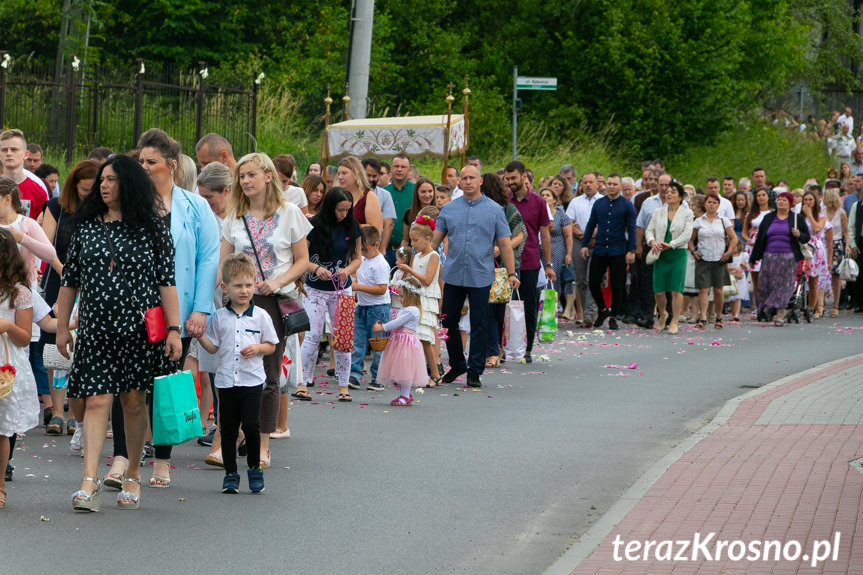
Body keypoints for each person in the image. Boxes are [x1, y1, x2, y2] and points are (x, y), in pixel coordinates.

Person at [55, 155, 182, 512]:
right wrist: (62, 328)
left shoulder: (153, 229)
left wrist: (174, 329)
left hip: (139, 332)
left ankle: (132, 476)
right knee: (96, 400)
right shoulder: (86, 228)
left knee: (132, 402)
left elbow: (166, 283)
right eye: (102, 181)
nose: (104, 186)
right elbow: (69, 281)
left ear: (129, 184)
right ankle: (89, 481)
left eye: (112, 180)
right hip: (95, 329)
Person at [136, 128, 220, 488]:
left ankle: (162, 460)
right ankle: (129, 452)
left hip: (179, 310)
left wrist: (200, 309)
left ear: (171, 165)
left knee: (166, 383)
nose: (143, 167)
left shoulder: (195, 205)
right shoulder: (131, 203)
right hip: (136, 306)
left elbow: (208, 258)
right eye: (139, 161)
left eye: (150, 162)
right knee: (132, 383)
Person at [220, 152, 311, 466]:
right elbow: (224, 260)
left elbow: (302, 260)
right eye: (241, 176)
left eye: (251, 175)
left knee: (269, 372)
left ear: (268, 176)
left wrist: (277, 280)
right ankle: (237, 434)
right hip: (237, 302)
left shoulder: (289, 213)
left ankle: (263, 444)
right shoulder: (234, 215)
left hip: (272, 301)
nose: (245, 181)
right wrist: (222, 288)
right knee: (233, 367)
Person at [432, 166, 519, 388]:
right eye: (464, 178)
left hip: (481, 274)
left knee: (480, 322)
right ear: (459, 182)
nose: (468, 181)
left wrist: (511, 272)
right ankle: (458, 363)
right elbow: (433, 242)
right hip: (453, 273)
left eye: (472, 178)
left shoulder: (495, 209)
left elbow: (505, 244)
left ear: (480, 181)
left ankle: (475, 369)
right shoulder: (449, 209)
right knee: (448, 320)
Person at [197, 254, 278, 494]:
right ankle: (231, 474)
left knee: (252, 426)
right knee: (228, 430)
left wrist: (258, 348)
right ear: (225, 287)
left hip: (252, 381)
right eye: (237, 285)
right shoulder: (219, 317)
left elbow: (271, 345)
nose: (244, 290)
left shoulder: (261, 315)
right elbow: (213, 347)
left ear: (254, 285)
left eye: (248, 285)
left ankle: (254, 468)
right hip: (226, 382)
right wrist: (199, 336)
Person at [40, 161, 98, 440]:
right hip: (60, 283)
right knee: (57, 345)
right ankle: (59, 412)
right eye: (84, 189)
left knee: (84, 347)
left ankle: (78, 414)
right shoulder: (54, 207)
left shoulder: (103, 210)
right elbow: (47, 246)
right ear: (74, 185)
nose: (89, 194)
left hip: (93, 286)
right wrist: (68, 273)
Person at [298, 187, 361, 401]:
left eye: (347, 210)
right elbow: (301, 259)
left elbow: (357, 258)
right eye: (340, 210)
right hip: (315, 288)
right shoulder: (314, 225)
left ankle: (344, 386)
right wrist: (315, 269)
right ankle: (302, 382)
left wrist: (348, 271)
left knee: (343, 337)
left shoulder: (352, 226)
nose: (344, 214)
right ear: (330, 207)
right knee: (313, 335)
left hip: (342, 289)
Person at [0, 229, 40, 509]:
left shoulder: (19, 293)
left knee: (2, 429)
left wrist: (8, 326)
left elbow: (25, 336)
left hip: (6, 364)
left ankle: (0, 484)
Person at [506, 161, 553, 362]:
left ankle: (527, 349)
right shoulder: (504, 201)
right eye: (507, 179)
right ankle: (506, 346)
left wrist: (548, 263)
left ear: (524, 176)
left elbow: (545, 234)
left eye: (513, 178)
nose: (510, 183)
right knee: (505, 304)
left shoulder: (539, 202)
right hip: (507, 263)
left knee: (529, 306)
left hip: (530, 261)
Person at [580, 173, 636, 331]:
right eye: (609, 184)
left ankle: (614, 316)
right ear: (604, 185)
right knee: (593, 281)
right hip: (599, 248)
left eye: (614, 184)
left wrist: (631, 250)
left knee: (617, 284)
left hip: (618, 249)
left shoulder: (627, 205)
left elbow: (631, 229)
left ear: (620, 186)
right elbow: (591, 224)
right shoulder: (599, 204)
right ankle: (603, 310)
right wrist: (584, 244)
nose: (611, 187)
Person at [750, 190, 809, 325]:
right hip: (769, 255)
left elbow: (806, 237)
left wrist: (798, 234)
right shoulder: (769, 218)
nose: (781, 202)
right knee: (766, 284)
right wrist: (754, 257)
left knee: (784, 285)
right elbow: (760, 239)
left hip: (788, 256)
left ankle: (780, 313)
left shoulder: (796, 218)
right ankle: (766, 307)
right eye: (779, 200)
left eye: (784, 200)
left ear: (790, 203)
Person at [399, 214, 442, 386]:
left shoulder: (433, 256)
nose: (413, 244)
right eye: (411, 240)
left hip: (426, 299)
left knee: (425, 339)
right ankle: (415, 373)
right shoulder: (416, 257)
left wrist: (410, 270)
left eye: (416, 240)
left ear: (427, 239)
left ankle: (435, 373)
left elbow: (427, 279)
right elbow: (411, 278)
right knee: (412, 337)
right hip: (414, 300)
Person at [645, 181, 694, 335]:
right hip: (660, 253)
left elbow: (687, 235)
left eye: (673, 192)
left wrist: (671, 244)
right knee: (658, 290)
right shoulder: (658, 212)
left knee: (676, 289)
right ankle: (663, 313)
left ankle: (674, 320)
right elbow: (649, 230)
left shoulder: (687, 213)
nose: (669, 194)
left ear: (680, 196)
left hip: (677, 253)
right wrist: (652, 241)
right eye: (667, 191)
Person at [372, 276, 426, 406]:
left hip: (406, 344)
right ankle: (405, 394)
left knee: (404, 372)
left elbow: (397, 323)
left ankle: (405, 395)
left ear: (411, 296)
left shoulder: (412, 310)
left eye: (401, 296)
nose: (399, 299)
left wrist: (383, 327)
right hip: (400, 342)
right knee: (400, 372)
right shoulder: (407, 309)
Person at [349, 226, 390, 391]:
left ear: (377, 245)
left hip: (378, 308)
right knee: (358, 342)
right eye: (361, 249)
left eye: (366, 249)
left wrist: (357, 287)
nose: (363, 253)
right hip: (363, 306)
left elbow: (381, 289)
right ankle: (355, 373)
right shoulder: (364, 260)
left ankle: (378, 376)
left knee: (378, 344)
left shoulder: (380, 264)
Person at [689, 193, 737, 329]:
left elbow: (733, 238)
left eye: (714, 203)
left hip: (719, 258)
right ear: (705, 204)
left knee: (718, 290)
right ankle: (703, 317)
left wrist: (728, 253)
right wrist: (693, 251)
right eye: (709, 202)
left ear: (718, 205)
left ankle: (719, 316)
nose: (711, 205)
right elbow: (690, 239)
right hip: (704, 257)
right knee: (703, 289)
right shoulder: (698, 221)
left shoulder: (723, 221)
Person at [566, 172, 599, 326]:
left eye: (590, 182)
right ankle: (587, 311)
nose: (587, 185)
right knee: (580, 280)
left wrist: (592, 234)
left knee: (592, 278)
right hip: (579, 242)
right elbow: (569, 221)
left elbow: (606, 223)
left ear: (597, 184)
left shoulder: (603, 201)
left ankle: (590, 313)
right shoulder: (575, 202)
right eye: (584, 182)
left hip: (598, 242)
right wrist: (578, 232)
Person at [0, 130, 48, 220]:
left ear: (26, 154)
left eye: (14, 149)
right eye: (4, 150)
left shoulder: (38, 191)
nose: (8, 153)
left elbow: (42, 230)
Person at [800, 188, 832, 320]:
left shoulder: (821, 217)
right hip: (802, 246)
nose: (807, 202)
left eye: (810, 200)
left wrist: (809, 215)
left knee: (813, 280)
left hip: (815, 249)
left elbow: (816, 228)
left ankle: (812, 308)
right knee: (800, 279)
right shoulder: (799, 217)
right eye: (805, 200)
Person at [539, 186, 573, 303]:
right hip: (540, 251)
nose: (544, 197)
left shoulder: (561, 215)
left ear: (554, 200)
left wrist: (569, 253)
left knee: (553, 280)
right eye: (542, 195)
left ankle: (552, 307)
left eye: (548, 195)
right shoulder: (537, 214)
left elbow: (568, 236)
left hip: (557, 250)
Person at [742, 188, 773, 311]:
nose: (761, 197)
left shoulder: (772, 213)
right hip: (753, 246)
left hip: (767, 245)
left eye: (763, 195)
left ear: (768, 197)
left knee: (767, 279)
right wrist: (748, 239)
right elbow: (744, 232)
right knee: (756, 279)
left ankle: (768, 305)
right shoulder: (751, 214)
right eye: (759, 195)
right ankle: (757, 305)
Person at [338, 156, 382, 231]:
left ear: (356, 174)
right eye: (338, 173)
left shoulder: (368, 196)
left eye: (344, 173)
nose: (339, 177)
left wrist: (346, 227)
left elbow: (374, 228)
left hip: (362, 242)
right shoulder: (338, 195)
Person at [824, 189, 850, 318]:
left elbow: (846, 231)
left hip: (837, 243)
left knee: (836, 276)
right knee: (822, 274)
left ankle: (835, 305)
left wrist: (846, 246)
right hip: (824, 244)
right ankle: (820, 304)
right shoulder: (822, 212)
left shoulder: (841, 213)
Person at [384, 154, 414, 252]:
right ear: (391, 169)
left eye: (403, 167)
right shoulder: (383, 192)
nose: (399, 169)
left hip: (408, 250)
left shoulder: (416, 191)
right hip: (385, 248)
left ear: (409, 170)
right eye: (396, 166)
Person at [400, 177, 436, 248]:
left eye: (430, 191)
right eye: (423, 192)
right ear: (417, 193)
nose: (427, 195)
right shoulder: (409, 213)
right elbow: (405, 240)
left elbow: (445, 241)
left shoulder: (441, 213)